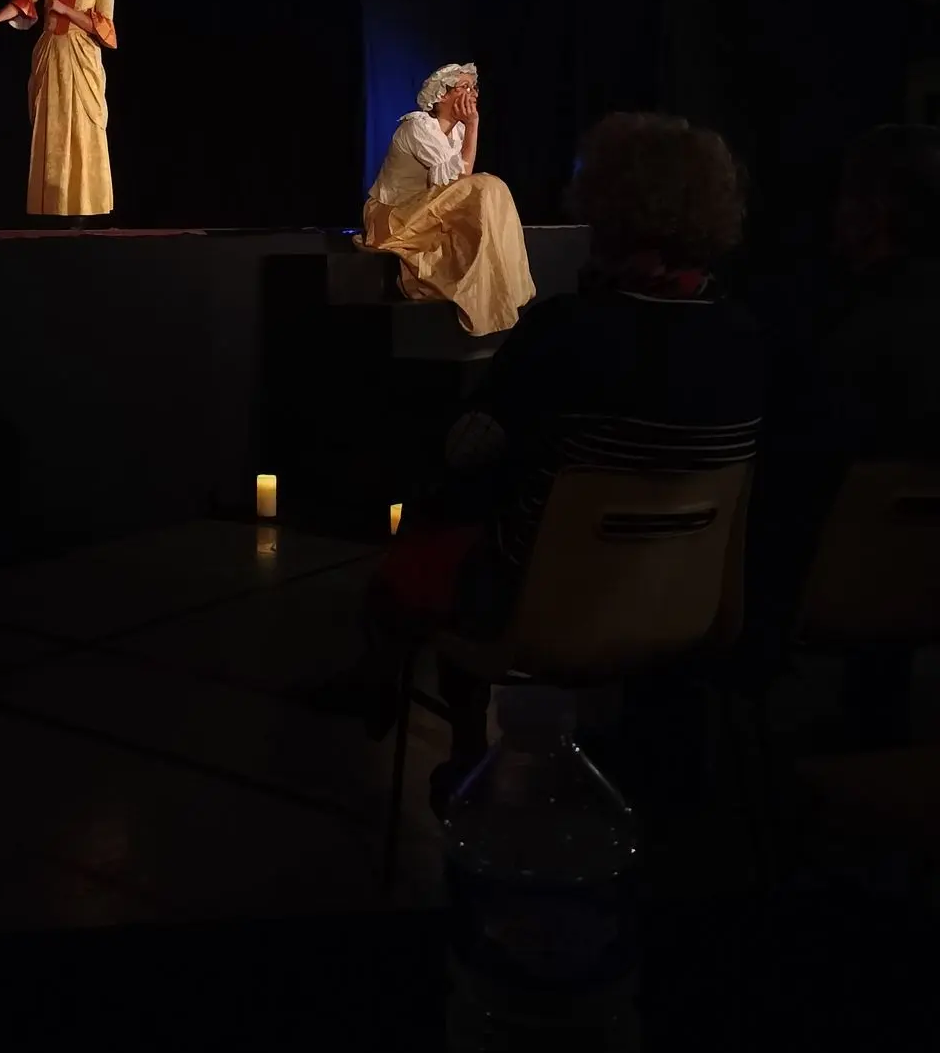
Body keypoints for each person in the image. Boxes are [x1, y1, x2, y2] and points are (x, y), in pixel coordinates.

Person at [317, 113, 764, 779]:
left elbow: (468, 448)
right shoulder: (745, 337)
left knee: (451, 506)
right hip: (689, 606)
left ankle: (451, 741)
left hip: (539, 604)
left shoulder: (568, 330)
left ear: (605, 208)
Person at [748, 124, 940, 727]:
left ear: (873, 213)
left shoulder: (840, 334)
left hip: (819, 589)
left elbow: (795, 473)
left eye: (845, 198)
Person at [358, 61, 535, 334]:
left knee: (492, 187)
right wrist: (474, 124)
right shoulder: (418, 127)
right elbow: (458, 182)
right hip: (392, 219)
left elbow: (459, 189)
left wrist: (469, 128)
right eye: (464, 87)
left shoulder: (457, 132)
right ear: (442, 95)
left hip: (423, 214)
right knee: (484, 185)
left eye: (474, 87)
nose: (473, 93)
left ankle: (503, 288)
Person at [0, 0, 117, 220]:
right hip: (51, 56)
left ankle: (83, 207)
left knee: (82, 127)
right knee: (52, 128)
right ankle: (53, 205)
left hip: (81, 60)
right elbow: (25, 0)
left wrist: (66, 10)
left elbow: (103, 26)